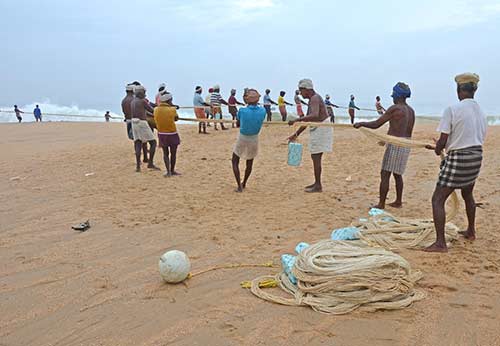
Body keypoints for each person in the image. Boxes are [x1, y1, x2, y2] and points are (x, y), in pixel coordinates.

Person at [424, 73, 487, 253]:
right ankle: (471, 231)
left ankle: (440, 243)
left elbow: (443, 140)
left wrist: (438, 149)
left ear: (459, 89)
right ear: (474, 90)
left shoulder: (452, 109)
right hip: (476, 157)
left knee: (437, 199)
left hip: (459, 158)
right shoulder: (482, 112)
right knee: (468, 194)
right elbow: (477, 137)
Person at [354, 82, 415, 209]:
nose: (392, 97)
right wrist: (385, 139)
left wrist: (361, 123)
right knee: (398, 174)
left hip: (395, 143)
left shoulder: (395, 108)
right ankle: (398, 201)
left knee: (385, 173)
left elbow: (377, 124)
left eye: (393, 95)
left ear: (398, 95)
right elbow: (398, 127)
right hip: (406, 143)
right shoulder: (411, 110)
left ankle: (381, 204)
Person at [288, 79, 333, 193]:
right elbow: (309, 119)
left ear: (306, 89)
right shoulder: (313, 99)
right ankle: (317, 183)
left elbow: (314, 115)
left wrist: (297, 119)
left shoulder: (315, 98)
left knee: (316, 156)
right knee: (315, 156)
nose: (300, 93)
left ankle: (318, 185)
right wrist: (296, 134)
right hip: (319, 127)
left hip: (321, 128)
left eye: (301, 91)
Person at [232, 89, 266, 192]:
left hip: (243, 137)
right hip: (254, 138)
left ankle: (239, 186)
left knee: (235, 160)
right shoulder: (262, 110)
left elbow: (238, 123)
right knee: (249, 162)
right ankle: (244, 183)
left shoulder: (242, 110)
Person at [130, 85, 160, 172]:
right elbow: (152, 110)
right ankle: (150, 163)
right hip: (142, 123)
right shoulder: (142, 101)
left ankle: (138, 166)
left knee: (138, 143)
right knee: (153, 143)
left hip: (134, 123)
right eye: (144, 93)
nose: (145, 94)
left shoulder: (133, 101)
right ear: (140, 93)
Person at [154, 90, 181, 177]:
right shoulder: (172, 109)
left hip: (161, 134)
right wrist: (173, 107)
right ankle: (172, 170)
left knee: (165, 153)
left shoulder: (156, 110)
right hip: (172, 133)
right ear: (169, 100)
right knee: (173, 153)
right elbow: (176, 118)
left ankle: (168, 171)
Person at [122, 81, 148, 162]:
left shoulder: (124, 100)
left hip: (129, 122)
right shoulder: (134, 100)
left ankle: (139, 161)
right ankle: (145, 158)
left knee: (136, 140)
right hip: (137, 121)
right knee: (143, 141)